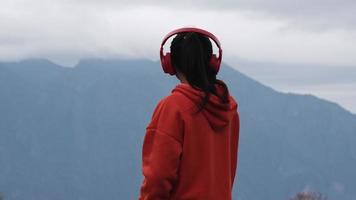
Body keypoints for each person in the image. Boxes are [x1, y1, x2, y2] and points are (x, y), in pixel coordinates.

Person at [138, 27, 240, 200]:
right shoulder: (228, 110)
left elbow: (157, 178)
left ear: (169, 63)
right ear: (213, 62)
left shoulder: (173, 108)